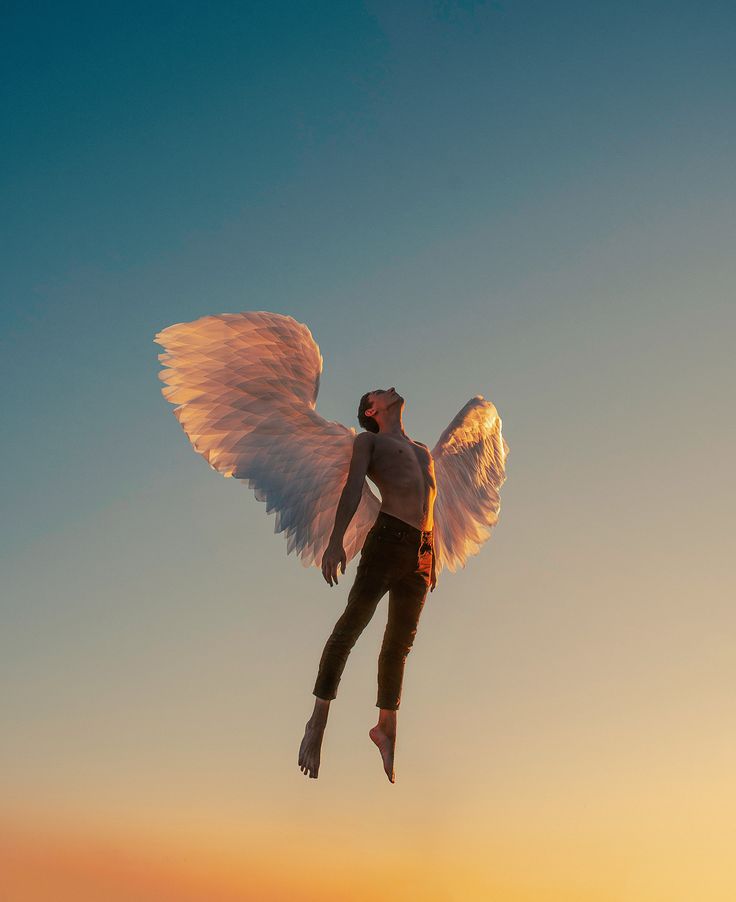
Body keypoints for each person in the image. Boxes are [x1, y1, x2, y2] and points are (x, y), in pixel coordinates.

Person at [298, 387, 437, 782]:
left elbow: (429, 501)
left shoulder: (423, 450)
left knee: (399, 644)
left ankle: (385, 727)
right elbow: (353, 487)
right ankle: (317, 722)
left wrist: (433, 552)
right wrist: (335, 540)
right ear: (372, 409)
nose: (390, 388)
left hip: (422, 551)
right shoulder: (369, 441)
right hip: (388, 539)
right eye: (380, 390)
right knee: (350, 627)